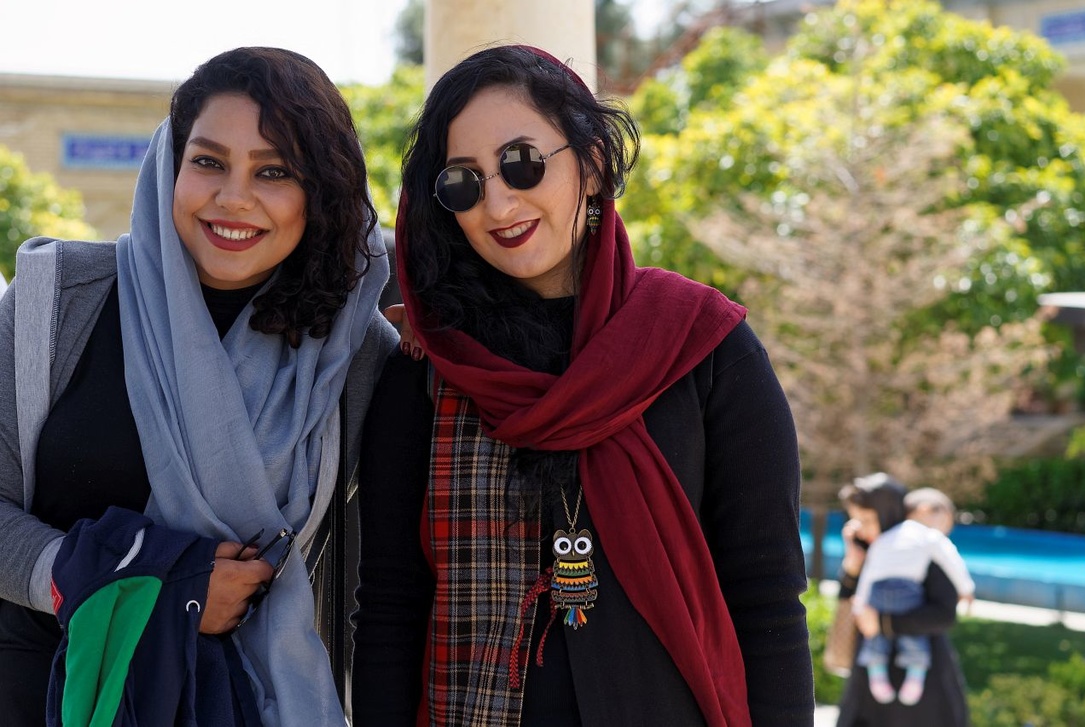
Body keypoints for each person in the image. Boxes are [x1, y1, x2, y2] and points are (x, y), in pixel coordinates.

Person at [351, 44, 813, 726]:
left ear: (592, 164)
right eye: (464, 182)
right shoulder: (429, 369)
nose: (498, 201)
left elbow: (766, 597)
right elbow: (392, 607)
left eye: (522, 162)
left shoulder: (701, 346)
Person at [0, 47, 397, 725]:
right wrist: (149, 588)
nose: (232, 197)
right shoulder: (57, 302)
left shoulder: (354, 353)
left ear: (321, 193)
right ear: (170, 164)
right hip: (40, 695)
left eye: (274, 171)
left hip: (248, 703)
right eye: (209, 161)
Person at [835, 473, 970, 727]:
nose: (860, 527)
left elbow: (944, 614)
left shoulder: (919, 550)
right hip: (870, 681)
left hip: (922, 685)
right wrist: (852, 568)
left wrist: (884, 623)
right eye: (855, 520)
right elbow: (848, 603)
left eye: (867, 520)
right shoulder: (867, 548)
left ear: (887, 514)